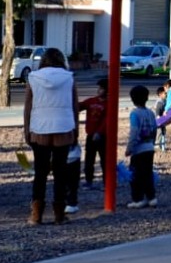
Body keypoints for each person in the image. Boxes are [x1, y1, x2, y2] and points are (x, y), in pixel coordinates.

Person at [24, 47, 78, 225]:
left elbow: (28, 108)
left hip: (39, 127)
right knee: (60, 172)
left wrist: (27, 130)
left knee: (40, 172)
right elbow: (74, 106)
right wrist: (75, 129)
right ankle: (59, 214)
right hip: (63, 125)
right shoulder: (69, 78)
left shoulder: (33, 78)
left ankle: (36, 214)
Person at [125, 84, 159, 208]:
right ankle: (151, 197)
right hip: (149, 147)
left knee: (136, 175)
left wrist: (129, 147)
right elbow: (155, 129)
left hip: (139, 149)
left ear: (133, 99)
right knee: (148, 174)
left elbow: (134, 131)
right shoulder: (150, 113)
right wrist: (152, 143)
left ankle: (138, 199)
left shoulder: (134, 114)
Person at [78, 80, 108, 189]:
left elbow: (107, 120)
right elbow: (79, 106)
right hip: (90, 135)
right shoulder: (91, 101)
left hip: (103, 136)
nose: (99, 90)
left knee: (104, 160)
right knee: (89, 159)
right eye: (99, 88)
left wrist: (99, 132)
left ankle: (106, 182)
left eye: (102, 88)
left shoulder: (108, 104)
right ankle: (88, 180)